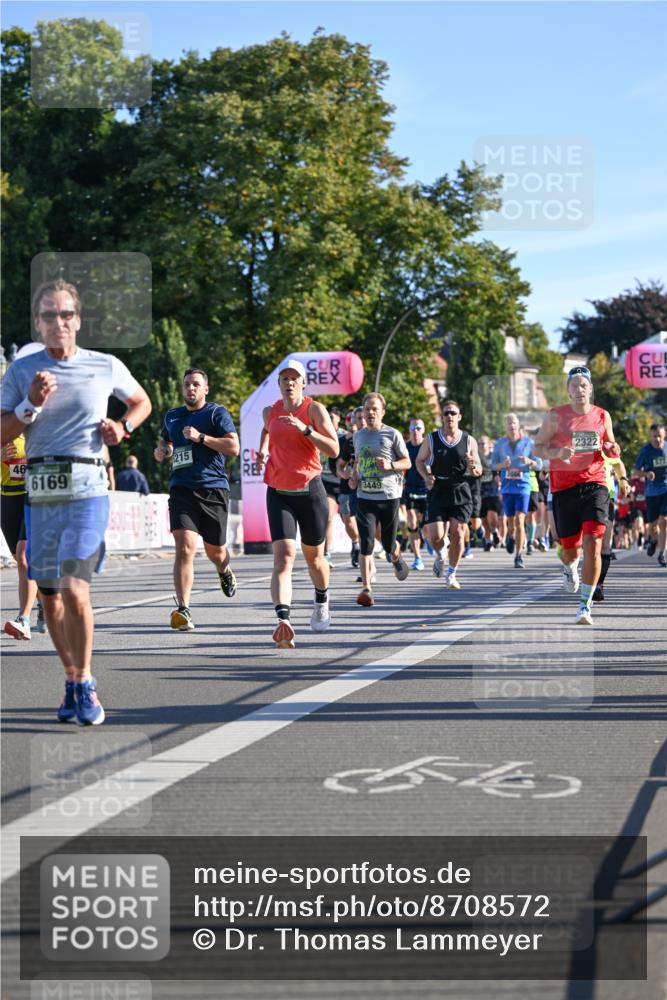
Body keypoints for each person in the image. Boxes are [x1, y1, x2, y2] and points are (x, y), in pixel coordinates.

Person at [0, 278, 151, 723]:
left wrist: (122, 428)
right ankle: (71, 676)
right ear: (39, 323)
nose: (59, 322)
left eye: (66, 314)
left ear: (78, 321)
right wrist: (29, 405)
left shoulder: (104, 365)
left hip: (87, 487)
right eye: (49, 315)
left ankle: (84, 682)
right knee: (50, 599)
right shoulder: (21, 372)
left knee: (73, 586)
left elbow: (140, 401)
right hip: (41, 490)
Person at [257, 359, 339, 647]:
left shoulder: (314, 410)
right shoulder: (271, 412)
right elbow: (268, 430)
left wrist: (306, 429)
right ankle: (283, 620)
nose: (289, 383)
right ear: (279, 384)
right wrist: (262, 452)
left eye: (295, 379)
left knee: (314, 559)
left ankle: (322, 598)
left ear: (303, 383)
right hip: (278, 492)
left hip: (310, 491)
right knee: (284, 557)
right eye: (284, 379)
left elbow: (334, 448)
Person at [534, 365, 621, 625]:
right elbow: (538, 448)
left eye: (584, 385)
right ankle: (569, 567)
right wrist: (557, 454)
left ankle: (585, 605)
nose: (579, 389)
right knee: (570, 551)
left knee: (594, 542)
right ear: (568, 391)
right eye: (575, 386)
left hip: (595, 484)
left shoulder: (602, 415)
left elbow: (612, 448)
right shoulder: (555, 416)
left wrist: (613, 447)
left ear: (590, 389)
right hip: (564, 489)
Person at [154, 368, 239, 631]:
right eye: (187, 384)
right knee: (185, 547)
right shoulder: (172, 416)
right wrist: (163, 450)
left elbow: (233, 447)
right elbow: (166, 440)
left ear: (205, 389)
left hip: (212, 489)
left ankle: (224, 570)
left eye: (196, 384)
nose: (191, 388)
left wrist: (202, 438)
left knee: (216, 551)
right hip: (182, 490)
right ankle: (183, 610)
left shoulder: (216, 413)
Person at [350, 392, 411, 606]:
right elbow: (357, 461)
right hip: (365, 496)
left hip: (389, 496)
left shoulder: (392, 434)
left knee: (386, 543)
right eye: (367, 409)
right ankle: (366, 589)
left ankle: (395, 555)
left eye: (375, 409)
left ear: (382, 412)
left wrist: (390, 465)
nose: (370, 412)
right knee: (365, 542)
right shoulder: (358, 436)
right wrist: (354, 476)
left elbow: (407, 462)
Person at [416, 400, 483, 590]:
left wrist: (472, 466)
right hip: (438, 488)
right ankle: (440, 554)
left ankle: (452, 573)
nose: (449, 417)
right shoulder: (432, 438)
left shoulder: (469, 440)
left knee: (459, 533)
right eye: (446, 413)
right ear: (442, 417)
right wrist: (427, 476)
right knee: (435, 536)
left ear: (459, 417)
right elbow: (420, 460)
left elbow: (478, 469)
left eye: (453, 413)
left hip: (460, 488)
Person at [1, 436, 40, 639]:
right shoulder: (3, 428)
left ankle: (23, 619)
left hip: (33, 495)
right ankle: (43, 598)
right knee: (19, 558)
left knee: (24, 556)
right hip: (7, 498)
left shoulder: (38, 426)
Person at [491, 414, 541, 569]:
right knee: (511, 523)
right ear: (504, 426)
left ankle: (518, 556)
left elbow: (539, 464)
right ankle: (511, 536)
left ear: (518, 425)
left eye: (513, 422)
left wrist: (530, 461)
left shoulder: (529, 443)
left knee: (520, 521)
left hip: (523, 486)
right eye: (508, 423)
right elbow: (493, 466)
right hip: (507, 488)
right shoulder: (499, 444)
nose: (511, 425)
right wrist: (502, 465)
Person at [633, 422, 667, 567]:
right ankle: (653, 540)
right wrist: (646, 474)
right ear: (650, 436)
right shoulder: (646, 451)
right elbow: (635, 471)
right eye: (654, 436)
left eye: (659, 436)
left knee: (664, 521)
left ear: (664, 435)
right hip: (652, 492)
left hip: (666, 489)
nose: (657, 439)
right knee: (653, 525)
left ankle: (662, 554)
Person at [336, 408, 361, 568]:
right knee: (349, 522)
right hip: (347, 487)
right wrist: (345, 474)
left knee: (368, 526)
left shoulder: (377, 438)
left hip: (367, 489)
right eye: (358, 418)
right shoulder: (347, 441)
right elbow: (338, 465)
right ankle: (356, 543)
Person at [403, 418, 429, 570]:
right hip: (410, 489)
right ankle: (417, 557)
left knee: (426, 527)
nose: (415, 431)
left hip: (426, 489)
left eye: (418, 428)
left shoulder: (428, 446)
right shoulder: (405, 447)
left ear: (423, 430)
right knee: (412, 523)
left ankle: (427, 539)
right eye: (413, 428)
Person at [478, 435, 502, 551]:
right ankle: (488, 541)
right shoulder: (476, 457)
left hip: (493, 490)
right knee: (483, 519)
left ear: (488, 444)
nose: (482, 446)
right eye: (480, 444)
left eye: (484, 443)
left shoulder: (494, 457)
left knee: (492, 516)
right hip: (479, 491)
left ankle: (495, 531)